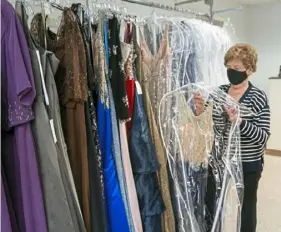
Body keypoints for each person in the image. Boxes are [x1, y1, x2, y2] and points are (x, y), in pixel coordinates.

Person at [194, 43, 271, 232]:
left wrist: (240, 122)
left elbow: (262, 136)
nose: (231, 72)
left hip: (248, 163)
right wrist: (199, 111)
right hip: (219, 160)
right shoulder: (219, 93)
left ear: (250, 70)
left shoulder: (258, 97)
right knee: (211, 203)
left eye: (237, 68)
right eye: (229, 67)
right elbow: (208, 125)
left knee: (246, 209)